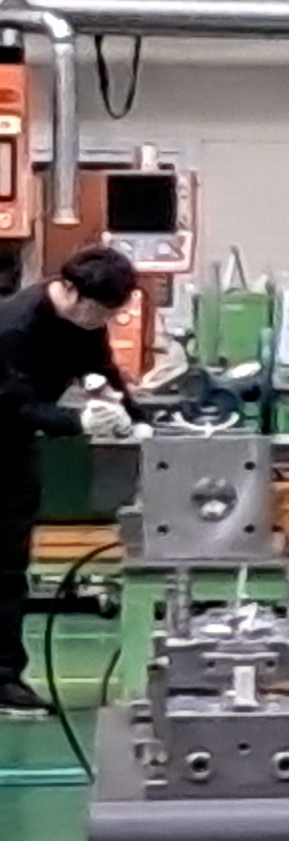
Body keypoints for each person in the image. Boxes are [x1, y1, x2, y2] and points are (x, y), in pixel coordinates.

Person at [0, 246, 137, 712]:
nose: (103, 322)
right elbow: (13, 406)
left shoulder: (84, 322)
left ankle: (4, 675)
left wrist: (131, 415)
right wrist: (78, 421)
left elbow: (99, 368)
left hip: (15, 454)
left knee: (10, 566)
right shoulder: (14, 327)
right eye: (100, 312)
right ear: (71, 291)